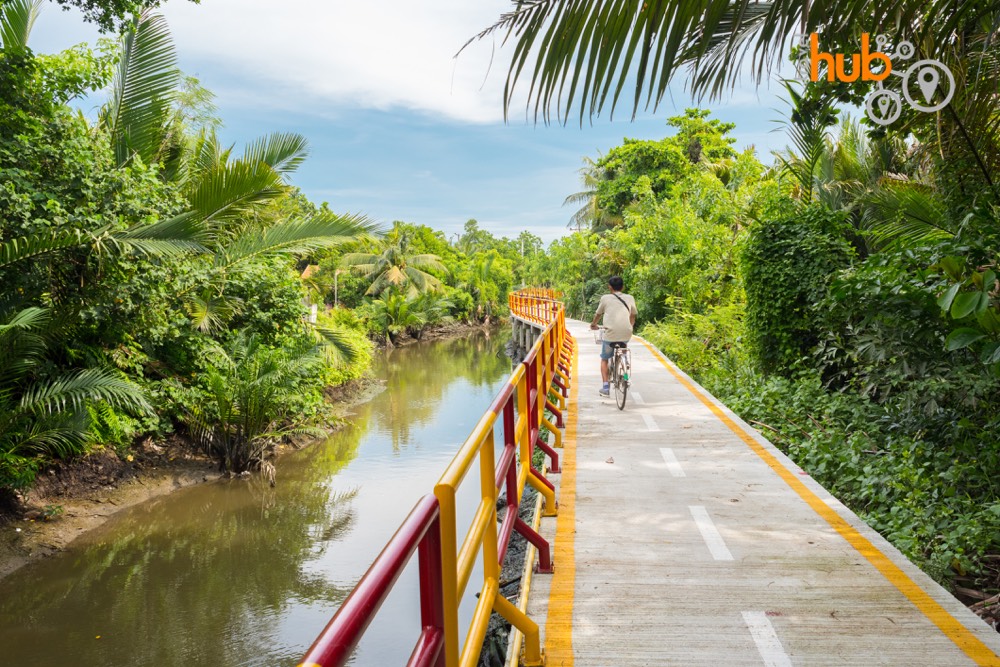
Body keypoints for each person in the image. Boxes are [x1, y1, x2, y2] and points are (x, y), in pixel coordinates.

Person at [589, 276, 638, 396]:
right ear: (623, 287)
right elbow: (633, 315)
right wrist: (630, 326)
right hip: (626, 332)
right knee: (623, 349)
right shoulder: (630, 298)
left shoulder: (605, 298)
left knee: (604, 359)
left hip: (610, 334)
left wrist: (593, 324)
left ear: (609, 287)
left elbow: (598, 314)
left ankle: (605, 387)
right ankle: (625, 372)